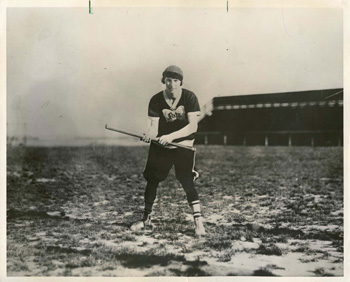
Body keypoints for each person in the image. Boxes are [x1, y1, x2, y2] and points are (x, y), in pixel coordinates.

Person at [130, 65, 206, 236]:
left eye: (176, 81)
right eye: (168, 80)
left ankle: (198, 222)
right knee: (152, 180)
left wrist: (171, 137)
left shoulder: (189, 97)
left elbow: (193, 126)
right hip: (161, 146)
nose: (172, 84)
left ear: (181, 82)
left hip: (183, 145)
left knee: (187, 180)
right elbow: (154, 128)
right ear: (163, 80)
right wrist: (148, 135)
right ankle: (146, 219)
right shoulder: (156, 100)